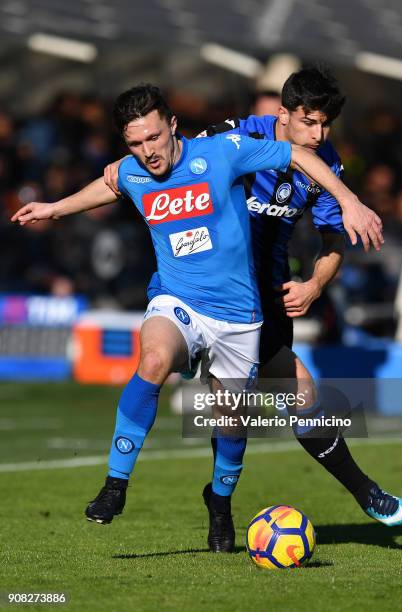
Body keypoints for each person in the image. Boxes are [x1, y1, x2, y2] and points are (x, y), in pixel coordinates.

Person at [11, 83, 375, 542]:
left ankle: (219, 504)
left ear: (173, 126)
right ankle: (114, 485)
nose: (147, 152)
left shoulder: (222, 153)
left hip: (240, 314)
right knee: (154, 360)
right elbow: (112, 184)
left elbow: (298, 157)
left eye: (153, 139)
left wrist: (348, 200)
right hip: (177, 299)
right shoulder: (132, 170)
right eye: (135, 144)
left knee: (231, 418)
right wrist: (54, 208)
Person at [103, 68, 402, 553]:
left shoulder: (324, 163)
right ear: (282, 116)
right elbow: (164, 151)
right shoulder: (236, 136)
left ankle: (229, 505)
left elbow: (333, 241)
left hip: (260, 299)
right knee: (176, 370)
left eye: (326, 124)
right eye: (310, 122)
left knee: (273, 398)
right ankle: (127, 477)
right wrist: (115, 170)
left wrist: (315, 283)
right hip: (194, 288)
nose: (319, 134)